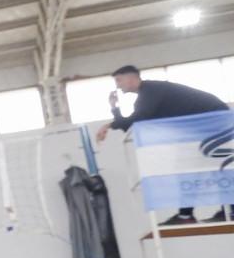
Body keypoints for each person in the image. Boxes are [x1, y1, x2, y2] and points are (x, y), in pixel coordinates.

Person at [95, 64, 232, 224]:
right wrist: (114, 109)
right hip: (204, 125)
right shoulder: (148, 94)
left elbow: (138, 118)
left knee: (204, 166)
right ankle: (193, 214)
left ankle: (191, 215)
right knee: (197, 167)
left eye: (119, 80)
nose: (117, 86)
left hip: (213, 121)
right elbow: (131, 123)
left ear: (131, 78)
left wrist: (110, 123)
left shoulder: (151, 90)